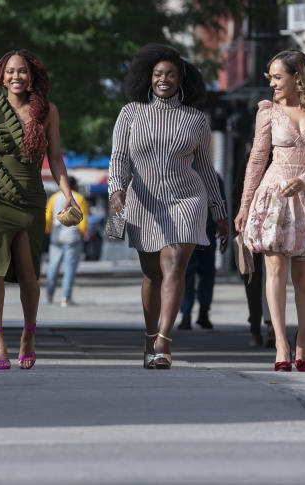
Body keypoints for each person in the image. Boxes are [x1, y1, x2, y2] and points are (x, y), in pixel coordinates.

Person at [0, 50, 79, 370]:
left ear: (31, 76)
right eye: (10, 71)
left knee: (29, 273)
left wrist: (68, 195)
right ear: (1, 76)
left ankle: (28, 334)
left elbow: (56, 157)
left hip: (33, 198)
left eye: (22, 71)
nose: (16, 76)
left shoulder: (47, 112)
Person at [109, 44, 228, 370]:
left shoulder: (196, 120)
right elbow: (118, 158)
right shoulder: (130, 113)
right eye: (159, 74)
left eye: (171, 74)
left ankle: (163, 341)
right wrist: (116, 190)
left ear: (181, 79)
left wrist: (219, 211)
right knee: (151, 276)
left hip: (187, 200)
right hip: (143, 203)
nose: (164, 79)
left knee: (176, 266)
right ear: (148, 78)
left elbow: (204, 168)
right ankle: (150, 336)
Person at [234, 50, 305, 372]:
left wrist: (304, 178)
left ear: (298, 77)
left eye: (277, 77)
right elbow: (257, 159)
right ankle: (280, 341)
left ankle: (304, 338)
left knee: (304, 279)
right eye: (270, 78)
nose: (272, 85)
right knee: (274, 268)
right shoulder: (268, 112)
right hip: (273, 196)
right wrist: (244, 204)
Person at [178, 171, 226, 330]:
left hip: (186, 231)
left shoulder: (181, 173)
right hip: (207, 231)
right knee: (206, 272)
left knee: (186, 272)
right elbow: (221, 204)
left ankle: (186, 314)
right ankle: (203, 312)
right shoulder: (213, 176)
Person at [45, 176, 90, 307]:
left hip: (56, 237)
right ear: (74, 185)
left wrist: (48, 231)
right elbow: (83, 219)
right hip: (72, 237)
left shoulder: (54, 197)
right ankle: (66, 297)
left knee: (53, 266)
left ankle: (49, 295)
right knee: (70, 268)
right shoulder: (79, 198)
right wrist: (82, 234)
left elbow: (47, 217)